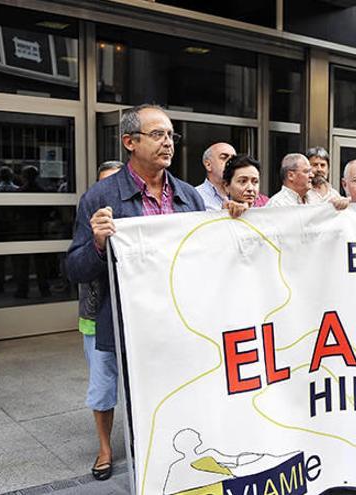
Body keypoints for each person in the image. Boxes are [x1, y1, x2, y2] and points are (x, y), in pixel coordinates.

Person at [65, 104, 209, 480]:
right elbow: (74, 268)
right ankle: (116, 452)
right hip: (127, 322)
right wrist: (97, 243)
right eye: (157, 134)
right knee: (121, 391)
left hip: (178, 321)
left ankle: (167, 455)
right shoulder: (100, 198)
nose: (168, 143)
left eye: (171, 135)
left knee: (173, 394)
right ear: (130, 141)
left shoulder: (189, 197)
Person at [76, 160, 122, 482]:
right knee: (103, 386)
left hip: (137, 316)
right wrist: (97, 242)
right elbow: (75, 264)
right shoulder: (89, 217)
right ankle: (105, 449)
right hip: (96, 316)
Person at [195, 142, 236, 211]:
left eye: (234, 159)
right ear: (208, 165)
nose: (230, 162)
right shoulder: (194, 196)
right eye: (224, 157)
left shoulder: (245, 193)